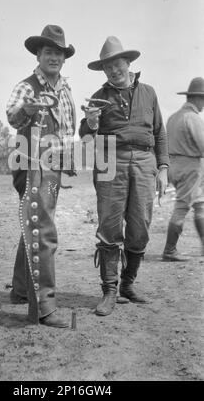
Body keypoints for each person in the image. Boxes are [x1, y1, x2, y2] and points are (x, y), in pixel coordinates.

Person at [79, 36, 169, 316]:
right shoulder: (99, 97)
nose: (113, 71)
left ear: (128, 63)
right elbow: (84, 135)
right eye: (107, 68)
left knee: (141, 226)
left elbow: (160, 132)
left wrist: (163, 168)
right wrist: (91, 122)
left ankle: (128, 283)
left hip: (145, 160)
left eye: (117, 65)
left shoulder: (150, 92)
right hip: (109, 159)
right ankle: (109, 290)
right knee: (109, 225)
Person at [6, 24, 76, 328]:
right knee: (42, 230)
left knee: (35, 222)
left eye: (59, 53)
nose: (54, 58)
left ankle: (21, 289)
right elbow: (11, 114)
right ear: (39, 54)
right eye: (49, 52)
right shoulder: (27, 86)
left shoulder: (64, 88)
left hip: (54, 164)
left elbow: (67, 127)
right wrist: (27, 109)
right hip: (32, 162)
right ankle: (44, 308)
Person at [162, 77, 204, 261]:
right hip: (190, 167)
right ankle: (169, 250)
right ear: (197, 98)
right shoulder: (193, 118)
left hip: (173, 166)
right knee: (182, 207)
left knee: (200, 204)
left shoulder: (173, 117)